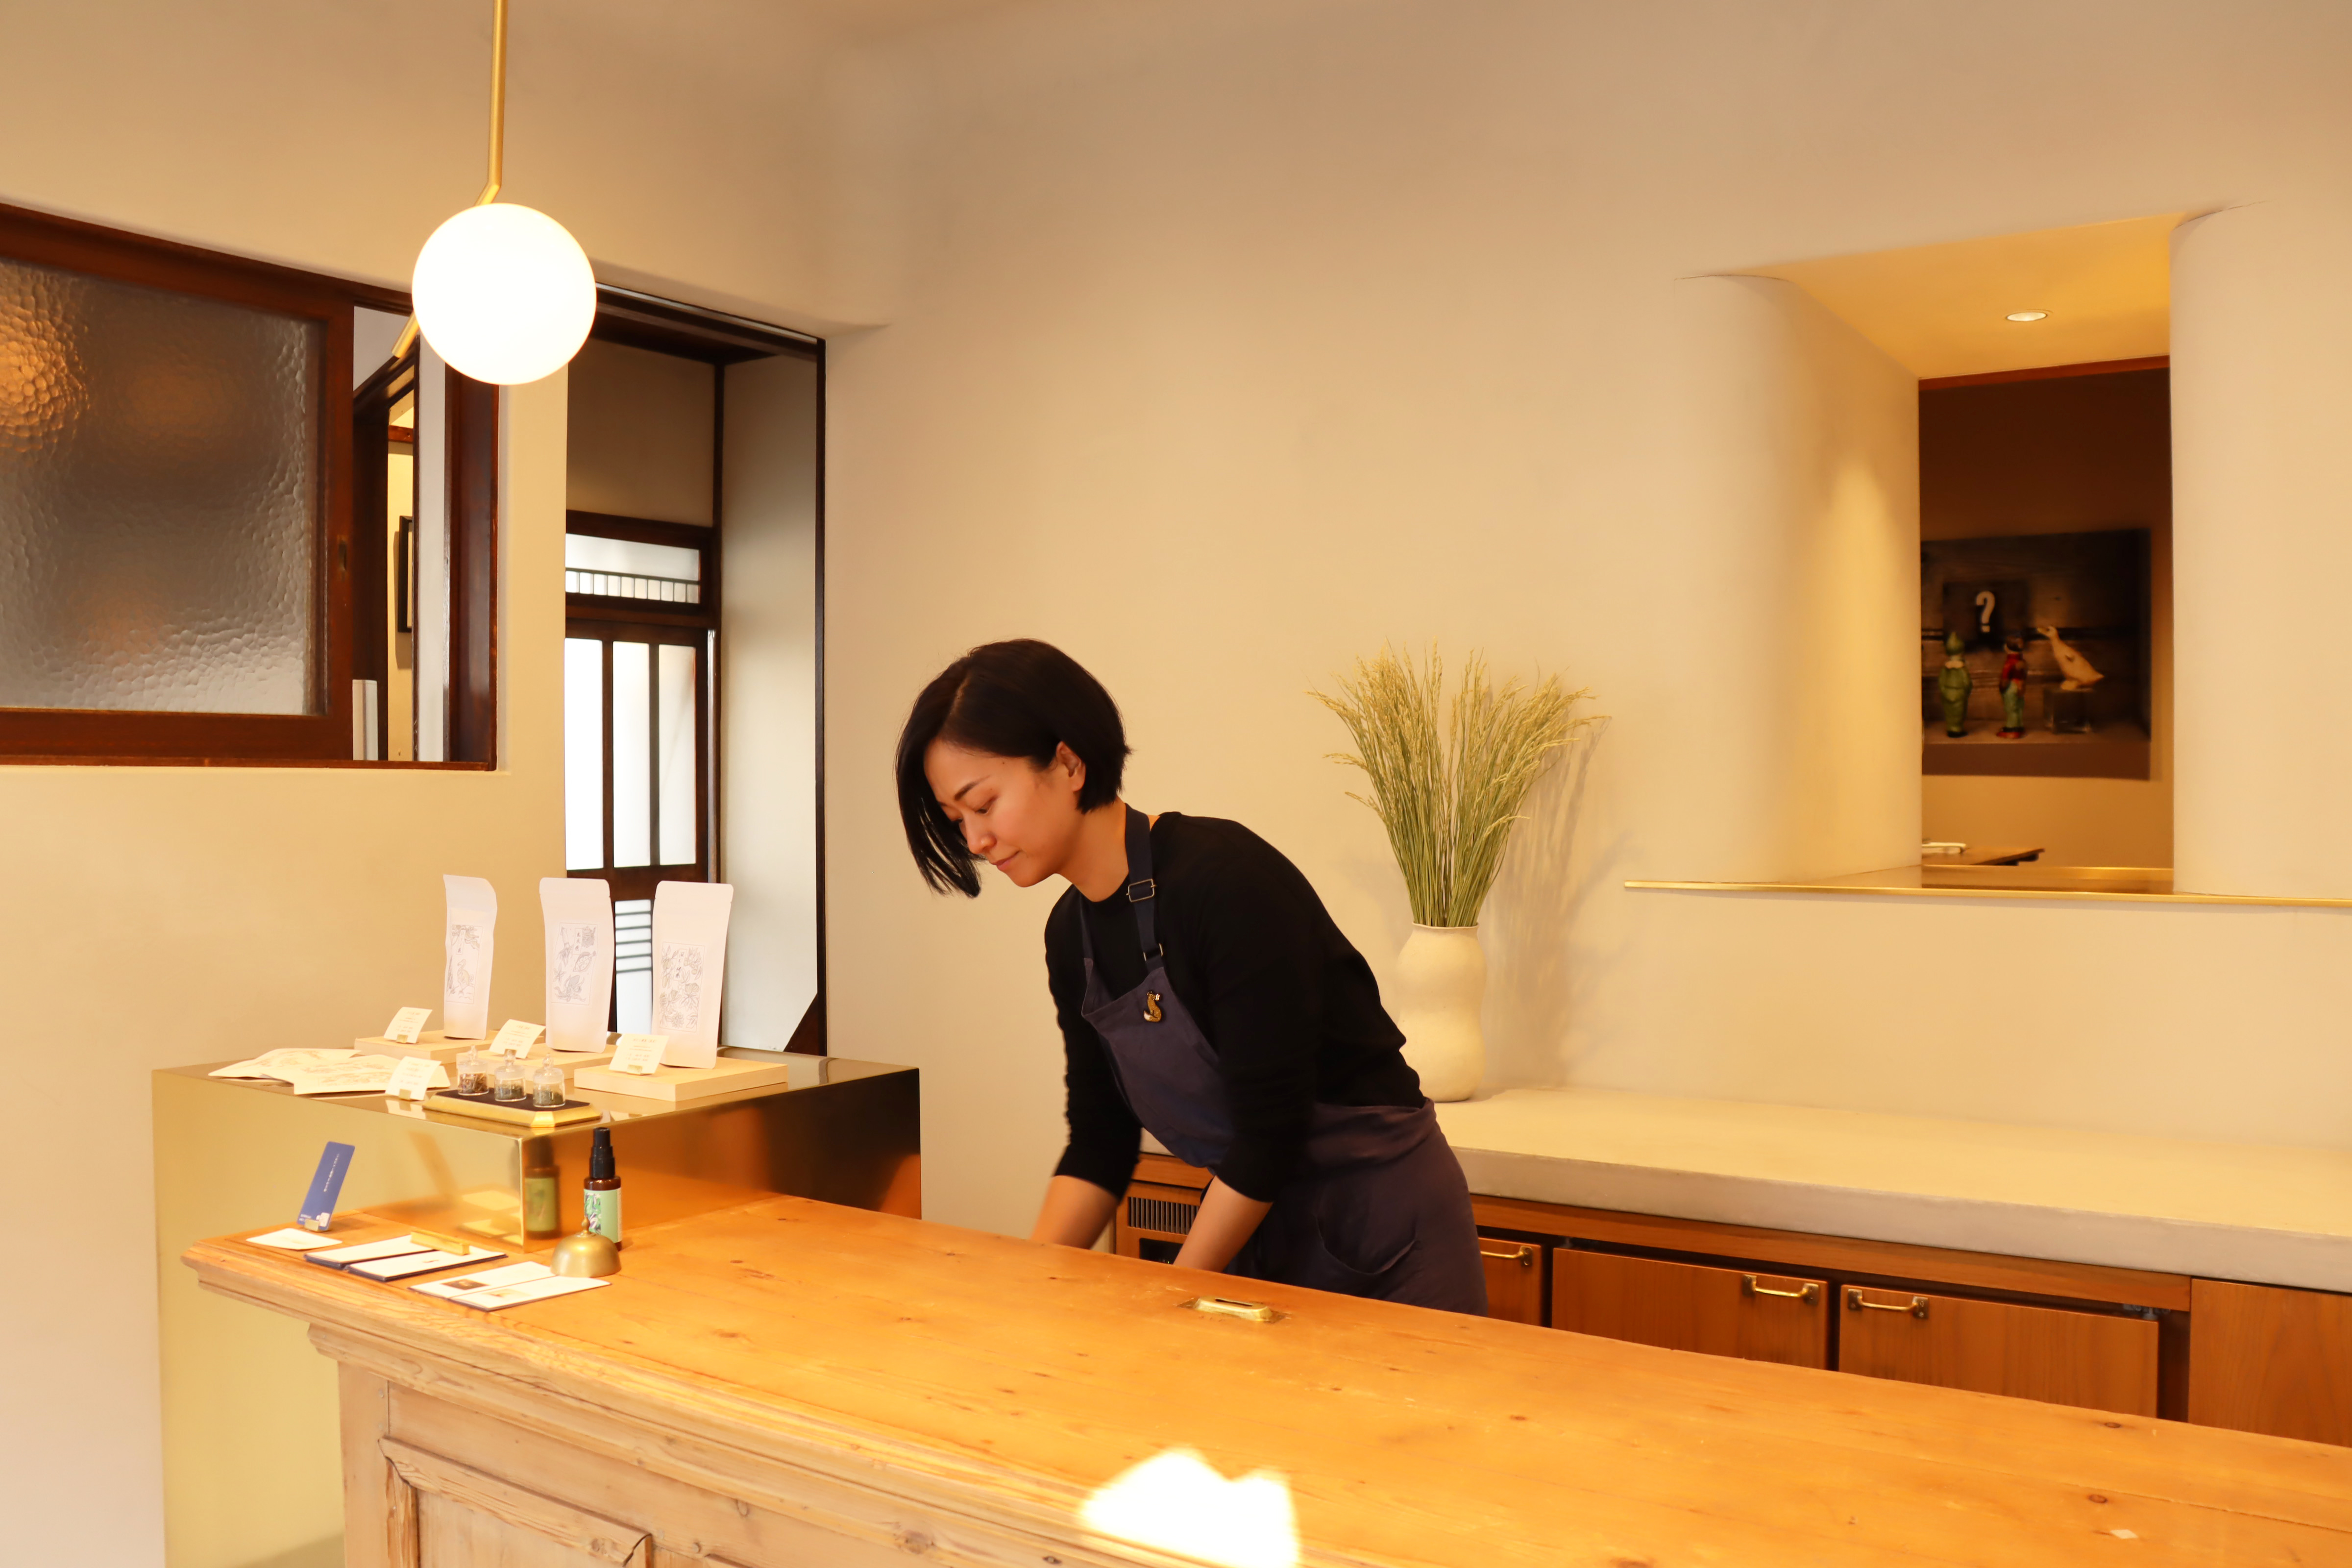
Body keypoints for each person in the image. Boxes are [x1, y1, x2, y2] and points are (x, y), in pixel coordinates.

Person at [895, 639, 1487, 1315]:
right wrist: (1033, 1283)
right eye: (957, 821)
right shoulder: (1071, 938)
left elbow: (1270, 1134)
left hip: (1387, 1232)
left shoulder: (1225, 883)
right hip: (1258, 1228)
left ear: (1068, 763)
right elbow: (1100, 1140)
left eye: (983, 803)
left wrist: (1173, 1294)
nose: (975, 841)